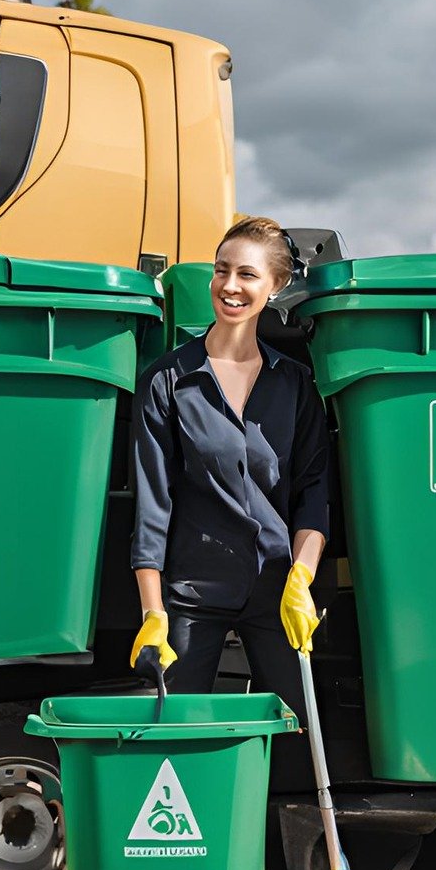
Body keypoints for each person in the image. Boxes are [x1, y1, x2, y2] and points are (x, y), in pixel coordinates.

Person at [129, 216, 331, 716]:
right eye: (222, 271)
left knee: (294, 730)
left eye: (247, 274)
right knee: (176, 734)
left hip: (275, 587)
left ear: (276, 286)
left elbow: (313, 493)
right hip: (193, 591)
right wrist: (153, 613)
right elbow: (152, 507)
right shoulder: (167, 382)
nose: (230, 286)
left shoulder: (295, 385)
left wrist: (301, 579)